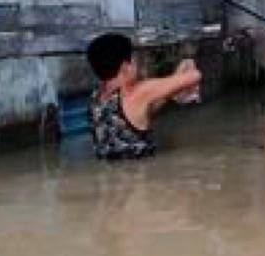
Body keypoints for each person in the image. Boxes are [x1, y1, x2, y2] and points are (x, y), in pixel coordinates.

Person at [86, 32, 202, 160]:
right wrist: (188, 62)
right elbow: (194, 76)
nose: (136, 63)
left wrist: (171, 92)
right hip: (142, 174)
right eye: (134, 59)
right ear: (125, 67)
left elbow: (136, 115)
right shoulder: (137, 92)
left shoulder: (96, 98)